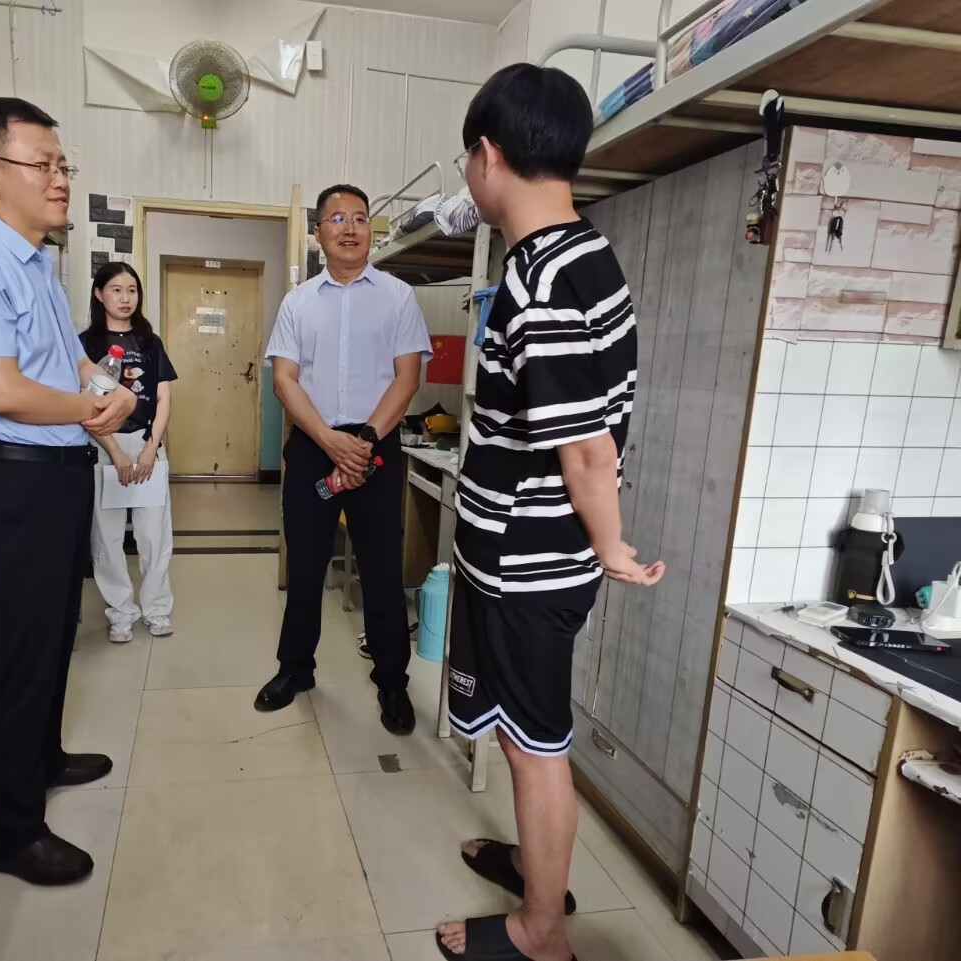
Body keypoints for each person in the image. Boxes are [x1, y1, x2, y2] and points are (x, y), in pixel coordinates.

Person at [435, 65, 665, 961]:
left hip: (526, 563)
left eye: (468, 160)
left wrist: (610, 545)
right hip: (528, 550)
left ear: (489, 156)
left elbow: (587, 449)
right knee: (521, 731)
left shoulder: (542, 280)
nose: (467, 178)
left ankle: (541, 930)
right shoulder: (580, 254)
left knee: (536, 746)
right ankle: (536, 867)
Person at [0, 97, 137, 887]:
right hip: (11, 479)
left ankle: (42, 759)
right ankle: (10, 833)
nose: (59, 179)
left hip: (56, 475)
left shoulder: (38, 262)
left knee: (52, 634)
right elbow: (4, 390)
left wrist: (110, 391)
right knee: (14, 653)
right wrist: (91, 408)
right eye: (41, 164)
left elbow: (70, 363)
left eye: (62, 165)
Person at [256, 183, 432, 736]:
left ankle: (392, 680)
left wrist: (365, 440)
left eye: (359, 218)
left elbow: (408, 378)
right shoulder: (298, 302)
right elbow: (285, 381)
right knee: (306, 565)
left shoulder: (398, 297)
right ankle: (295, 669)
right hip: (314, 445)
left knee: (381, 570)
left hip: (376, 446)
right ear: (318, 233)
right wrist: (331, 442)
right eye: (337, 219)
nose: (350, 228)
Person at [80, 262, 178, 643]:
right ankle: (120, 613)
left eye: (132, 290)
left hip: (146, 445)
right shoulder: (86, 344)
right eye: (117, 290)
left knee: (154, 537)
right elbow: (86, 405)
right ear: (99, 294)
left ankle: (156, 610)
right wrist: (116, 453)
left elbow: (164, 397)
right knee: (106, 540)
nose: (126, 298)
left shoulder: (150, 342)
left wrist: (151, 448)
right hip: (104, 448)